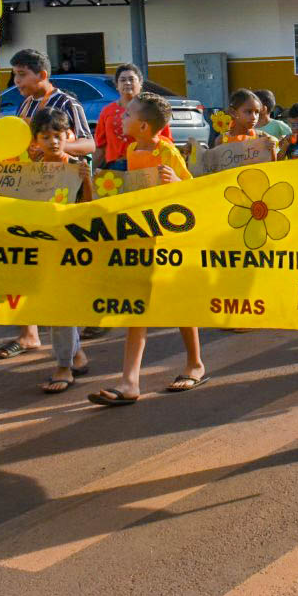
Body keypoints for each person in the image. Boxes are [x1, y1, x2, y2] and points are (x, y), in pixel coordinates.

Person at [89, 93, 207, 406]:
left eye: (128, 114)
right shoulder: (130, 149)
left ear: (143, 125)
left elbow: (191, 189)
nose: (122, 117)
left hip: (168, 239)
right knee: (136, 307)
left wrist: (175, 180)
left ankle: (195, 363)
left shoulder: (166, 150)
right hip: (141, 236)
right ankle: (129, 382)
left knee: (179, 304)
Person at [0, 50, 94, 360]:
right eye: (14, 74)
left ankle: (72, 350)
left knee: (59, 273)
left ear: (42, 75)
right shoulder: (25, 105)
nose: (16, 81)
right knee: (26, 265)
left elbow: (89, 143)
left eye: (21, 74)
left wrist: (56, 147)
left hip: (63, 197)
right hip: (32, 194)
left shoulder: (67, 103)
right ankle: (28, 334)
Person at [25, 108, 94, 393]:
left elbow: (91, 208)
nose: (53, 141)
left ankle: (64, 366)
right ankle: (76, 354)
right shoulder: (30, 171)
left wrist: (87, 180)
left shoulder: (77, 167)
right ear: (35, 141)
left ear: (69, 136)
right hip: (42, 247)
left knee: (60, 305)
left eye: (58, 135)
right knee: (55, 305)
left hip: (71, 248)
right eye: (45, 136)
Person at [94, 63, 168, 169]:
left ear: (140, 83)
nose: (127, 83)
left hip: (147, 166)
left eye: (131, 79)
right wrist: (91, 172)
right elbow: (100, 147)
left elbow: (166, 141)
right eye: (123, 80)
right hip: (116, 168)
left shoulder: (152, 108)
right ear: (117, 85)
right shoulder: (107, 111)